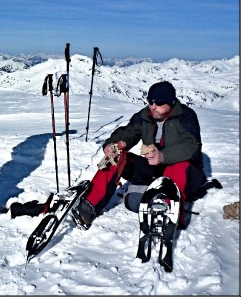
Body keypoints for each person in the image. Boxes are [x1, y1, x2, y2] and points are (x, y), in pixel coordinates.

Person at [71, 81, 207, 230]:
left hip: (186, 173)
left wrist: (162, 156)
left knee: (179, 166)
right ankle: (89, 206)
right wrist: (114, 144)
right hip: (155, 169)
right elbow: (128, 133)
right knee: (117, 156)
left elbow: (191, 146)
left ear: (170, 102)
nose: (153, 106)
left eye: (159, 102)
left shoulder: (185, 117)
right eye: (150, 101)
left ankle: (167, 213)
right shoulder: (145, 116)